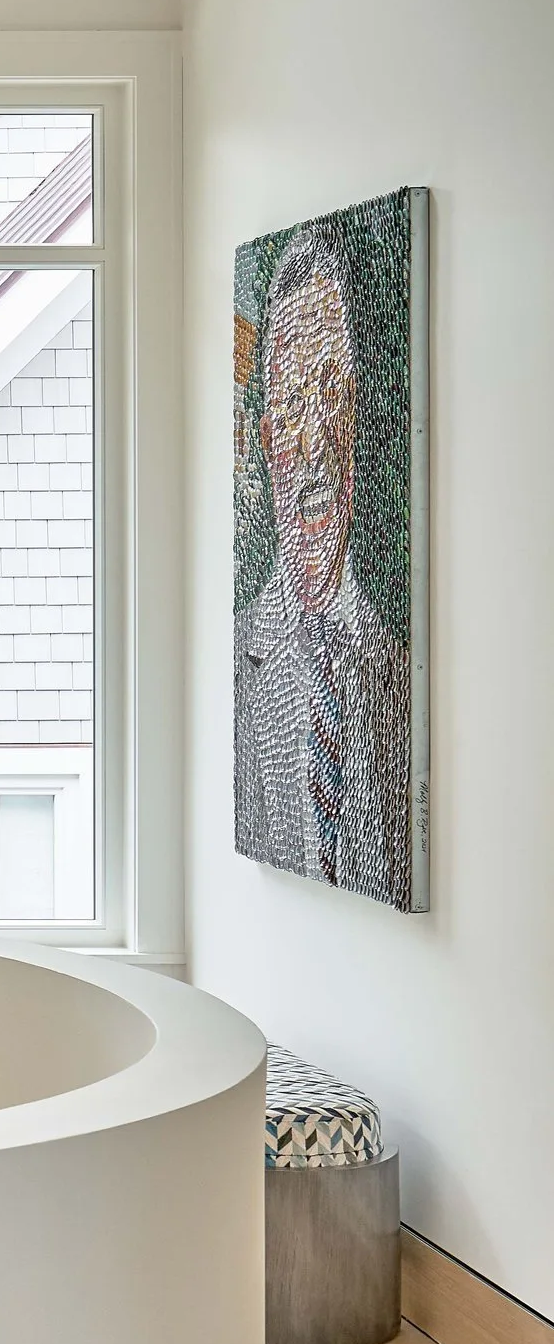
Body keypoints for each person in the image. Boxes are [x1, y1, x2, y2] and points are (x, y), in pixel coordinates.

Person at [235, 223, 413, 904]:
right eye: (286, 408)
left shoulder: (396, 670)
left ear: (359, 420)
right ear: (263, 438)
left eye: (329, 395)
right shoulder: (238, 666)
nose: (310, 448)